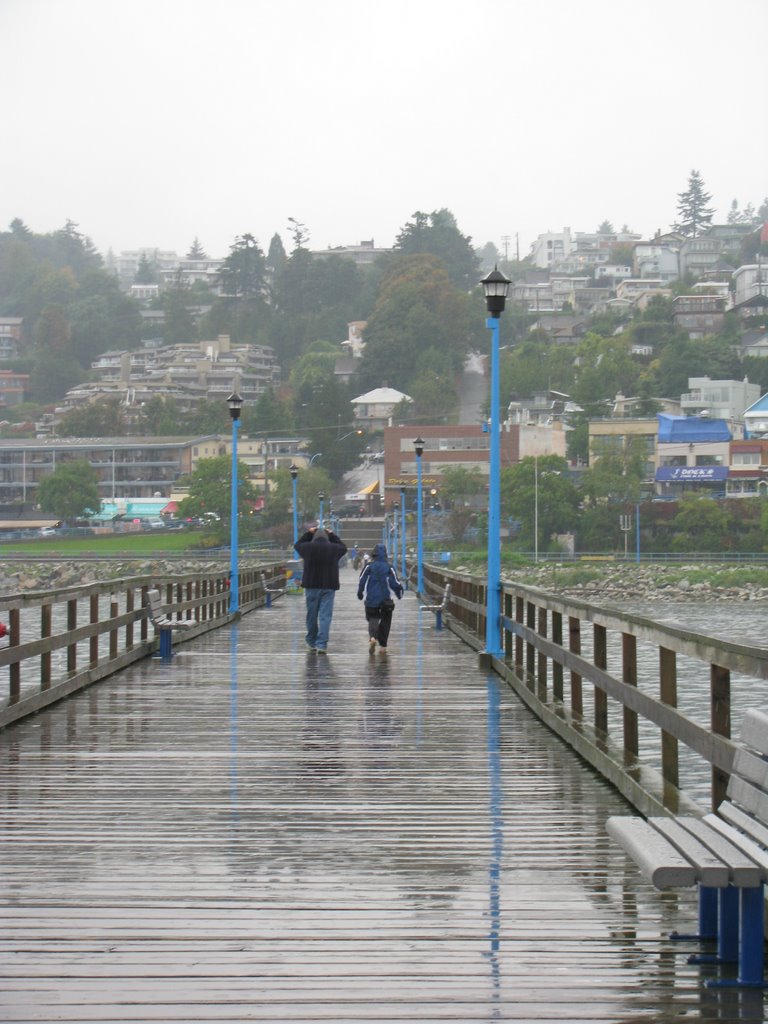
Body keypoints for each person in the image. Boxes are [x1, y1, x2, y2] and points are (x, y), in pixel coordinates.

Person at [294, 526, 347, 653]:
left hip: (312, 586)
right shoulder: (334, 548)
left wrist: (308, 533)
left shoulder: (307, 548)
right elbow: (343, 547)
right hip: (328, 586)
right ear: (327, 538)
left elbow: (297, 545)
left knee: (311, 615)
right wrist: (333, 535)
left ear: (314, 537)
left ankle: (311, 641)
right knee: (325, 616)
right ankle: (322, 644)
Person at [357, 543, 403, 654]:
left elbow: (362, 579)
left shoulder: (369, 566)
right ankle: (383, 646)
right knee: (386, 621)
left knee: (373, 618)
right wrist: (399, 593)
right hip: (385, 599)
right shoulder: (389, 567)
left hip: (372, 598)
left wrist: (360, 592)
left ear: (374, 554)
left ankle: (373, 637)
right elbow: (395, 583)